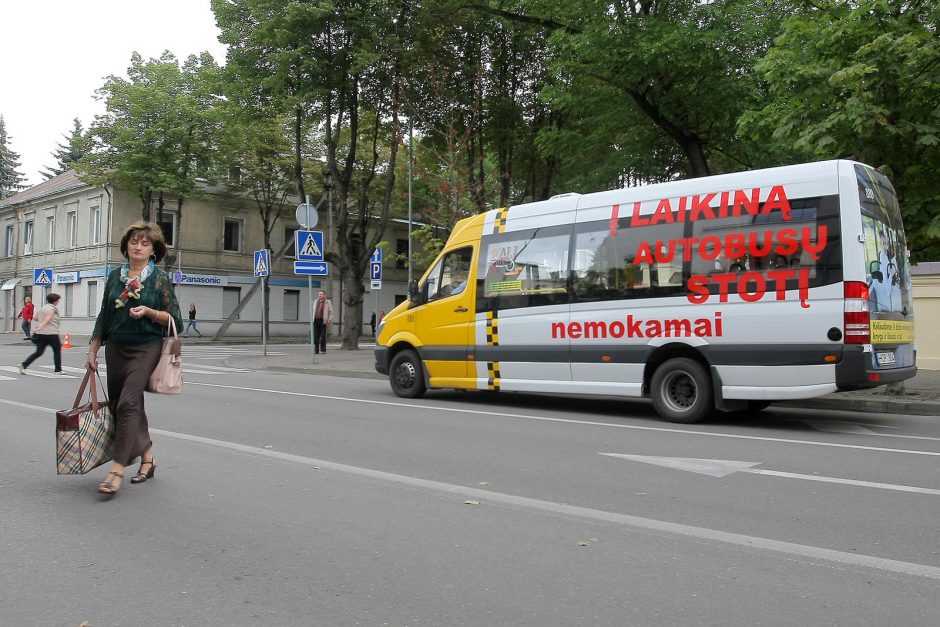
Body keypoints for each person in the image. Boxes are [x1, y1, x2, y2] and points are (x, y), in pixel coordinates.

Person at [86, 221, 183, 497]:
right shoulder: (115, 277)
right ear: (126, 246)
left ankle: (117, 468)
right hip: (116, 347)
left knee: (129, 402)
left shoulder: (159, 279)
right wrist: (92, 350)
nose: (138, 247)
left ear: (153, 250)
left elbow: (175, 320)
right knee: (124, 406)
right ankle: (148, 458)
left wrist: (150, 312)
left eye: (144, 243)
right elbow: (104, 316)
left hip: (146, 347)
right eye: (133, 242)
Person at [19, 293, 64, 375]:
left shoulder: (43, 308)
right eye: (57, 300)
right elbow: (48, 319)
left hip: (40, 334)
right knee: (57, 350)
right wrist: (41, 326)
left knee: (39, 352)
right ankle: (58, 370)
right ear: (55, 301)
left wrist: (39, 326)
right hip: (51, 333)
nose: (58, 302)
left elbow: (35, 317)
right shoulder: (52, 309)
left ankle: (24, 365)